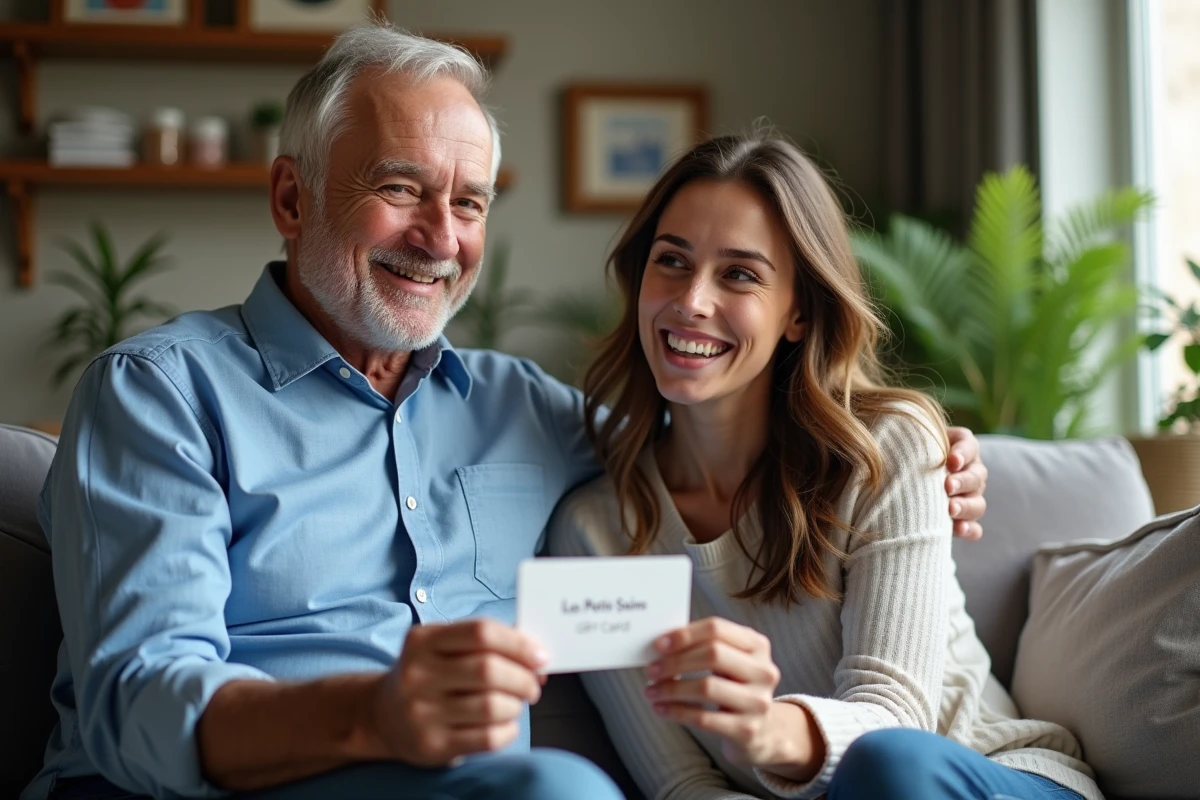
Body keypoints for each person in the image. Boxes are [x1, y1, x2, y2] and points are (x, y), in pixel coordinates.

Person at [24, 24, 988, 800]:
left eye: (471, 204)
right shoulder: (160, 394)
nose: (440, 238)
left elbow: (719, 436)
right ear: (291, 195)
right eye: (399, 188)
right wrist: (373, 715)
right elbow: (135, 707)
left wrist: (909, 450)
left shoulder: (531, 411)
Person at [549, 132, 1101, 800]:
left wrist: (764, 728)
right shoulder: (595, 531)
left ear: (800, 313)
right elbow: (683, 785)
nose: (691, 300)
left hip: (988, 775)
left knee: (889, 767)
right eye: (671, 261)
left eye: (740, 274)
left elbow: (897, 721)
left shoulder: (887, 450)